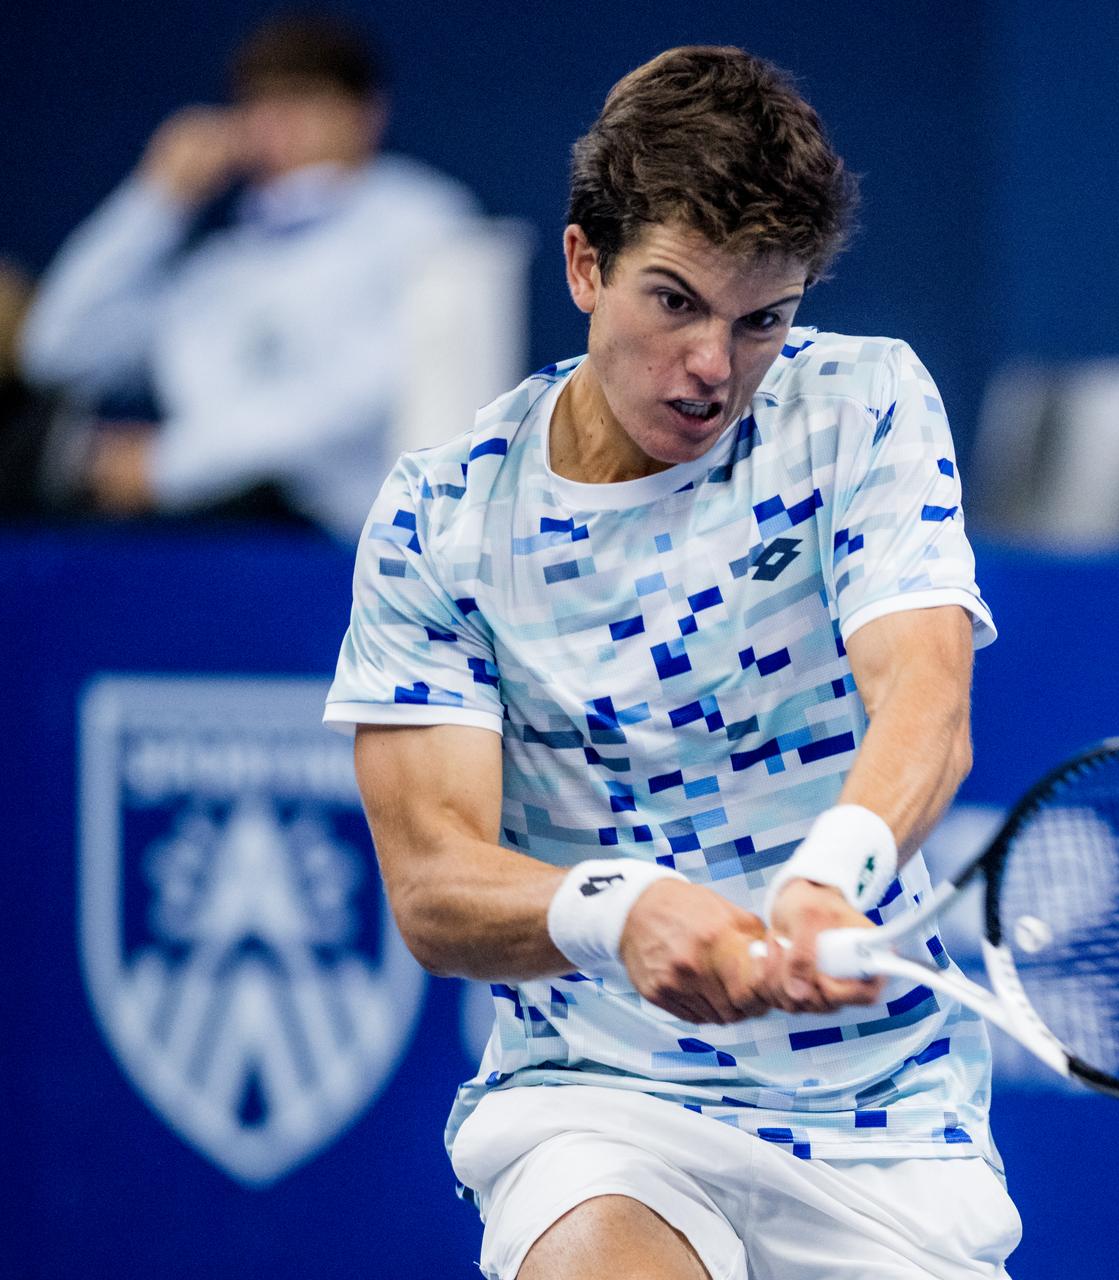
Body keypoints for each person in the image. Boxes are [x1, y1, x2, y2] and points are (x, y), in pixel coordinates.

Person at [324, 46, 1018, 1280]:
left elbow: (925, 696)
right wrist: (618, 910)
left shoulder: (861, 405)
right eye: (676, 301)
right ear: (585, 264)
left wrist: (829, 877)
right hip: (599, 1100)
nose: (715, 367)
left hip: (883, 1122)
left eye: (765, 319)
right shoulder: (443, 513)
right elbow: (433, 881)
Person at [17, 13, 478, 539]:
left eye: (302, 102)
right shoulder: (219, 268)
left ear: (365, 114)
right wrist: (155, 200)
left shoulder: (426, 222)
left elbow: (365, 390)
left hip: (368, 550)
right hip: (213, 546)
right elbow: (57, 351)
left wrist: (169, 464)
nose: (278, 126)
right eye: (260, 105)